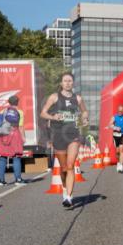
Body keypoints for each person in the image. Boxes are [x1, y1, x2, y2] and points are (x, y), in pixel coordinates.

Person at [40, 72, 87, 208]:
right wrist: (54, 118)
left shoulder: (77, 98)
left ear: (73, 83)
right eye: (65, 81)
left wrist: (84, 118)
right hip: (58, 134)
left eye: (70, 81)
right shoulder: (54, 97)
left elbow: (84, 111)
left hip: (73, 134)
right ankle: (65, 189)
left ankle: (69, 197)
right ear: (61, 83)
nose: (67, 83)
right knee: (64, 168)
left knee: (71, 165)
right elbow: (43, 113)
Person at [0, 95, 25, 185]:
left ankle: (1, 181)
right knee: (16, 157)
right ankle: (18, 179)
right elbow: (20, 126)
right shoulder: (19, 112)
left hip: (3, 135)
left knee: (3, 157)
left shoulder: (2, 111)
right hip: (14, 134)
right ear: (17, 102)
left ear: (9, 102)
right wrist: (23, 137)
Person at [110, 104, 123, 173]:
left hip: (122, 135)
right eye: (119, 111)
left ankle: (121, 165)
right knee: (117, 152)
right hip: (115, 135)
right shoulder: (114, 117)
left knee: (121, 150)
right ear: (117, 111)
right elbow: (110, 124)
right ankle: (118, 162)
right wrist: (115, 128)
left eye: (121, 111)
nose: (120, 112)